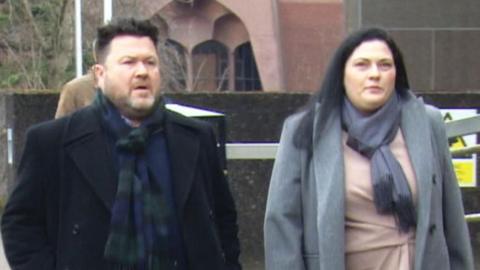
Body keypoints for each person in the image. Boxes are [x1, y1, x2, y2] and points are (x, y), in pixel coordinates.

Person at [2, 17, 241, 270]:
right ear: (99, 75)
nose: (142, 71)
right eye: (128, 62)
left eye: (150, 62)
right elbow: (21, 225)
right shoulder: (52, 142)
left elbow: (224, 221)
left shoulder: (195, 137)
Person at [264, 28, 474, 270]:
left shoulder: (427, 124)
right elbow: (282, 222)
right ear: (342, 73)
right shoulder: (306, 129)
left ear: (396, 73)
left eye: (385, 65)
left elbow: (452, 218)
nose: (375, 74)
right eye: (362, 65)